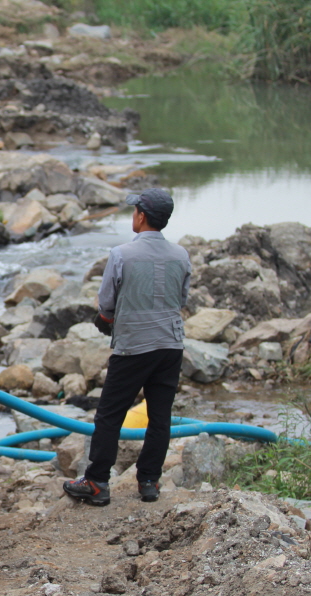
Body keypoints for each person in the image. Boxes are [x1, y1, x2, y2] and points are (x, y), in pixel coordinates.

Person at [63, 188, 191, 506]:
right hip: (170, 345)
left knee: (109, 415)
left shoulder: (122, 254)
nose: (133, 215)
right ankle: (149, 482)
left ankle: (96, 482)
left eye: (134, 210)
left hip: (133, 346)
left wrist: (106, 318)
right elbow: (182, 299)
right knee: (160, 417)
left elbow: (107, 303)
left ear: (142, 216)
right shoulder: (181, 255)